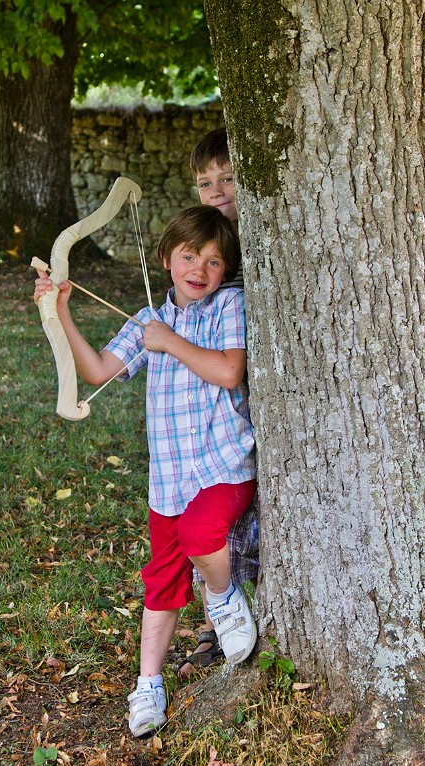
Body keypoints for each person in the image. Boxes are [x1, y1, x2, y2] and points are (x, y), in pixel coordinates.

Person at [34, 205, 258, 738]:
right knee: (161, 579)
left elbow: (229, 371)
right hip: (170, 480)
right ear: (165, 259)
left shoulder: (229, 305)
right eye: (188, 257)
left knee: (202, 532)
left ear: (226, 271)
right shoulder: (146, 321)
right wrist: (60, 311)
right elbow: (96, 370)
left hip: (223, 463)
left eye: (212, 261)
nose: (199, 269)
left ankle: (224, 598)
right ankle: (149, 683)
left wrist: (171, 343)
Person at [177, 128, 260, 680]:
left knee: (238, 508)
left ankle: (233, 603)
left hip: (246, 390)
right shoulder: (208, 242)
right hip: (210, 395)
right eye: (206, 182)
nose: (218, 190)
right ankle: (215, 619)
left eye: (227, 178)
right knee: (209, 513)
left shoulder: (254, 234)